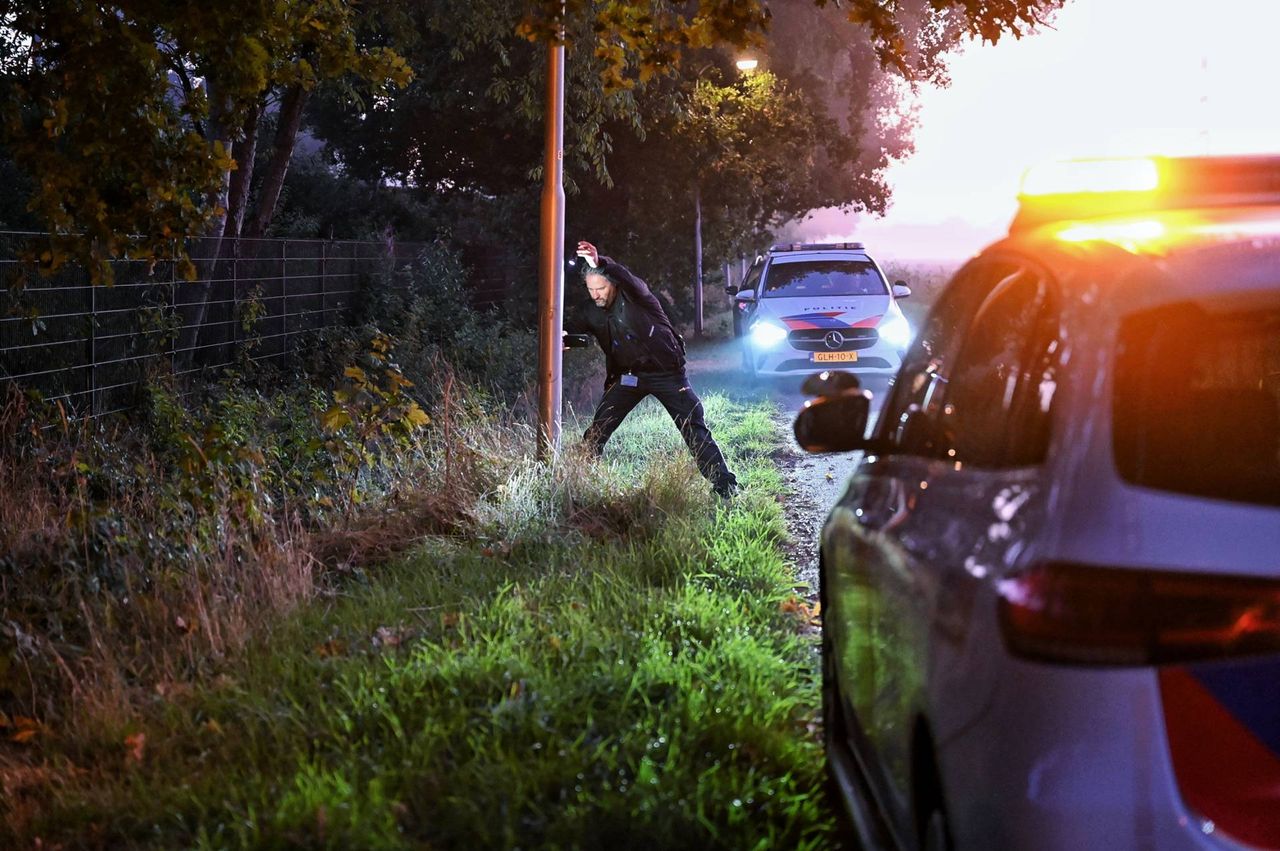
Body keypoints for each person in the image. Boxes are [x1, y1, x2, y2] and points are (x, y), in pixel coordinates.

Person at [567, 241, 739, 499]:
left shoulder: (639, 297)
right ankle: (577, 486)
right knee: (598, 429)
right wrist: (564, 336)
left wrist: (600, 262)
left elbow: (626, 277)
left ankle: (726, 487)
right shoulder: (592, 310)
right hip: (627, 377)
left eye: (601, 288)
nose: (597, 295)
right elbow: (572, 327)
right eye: (591, 290)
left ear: (612, 284)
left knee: (693, 426)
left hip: (667, 374)